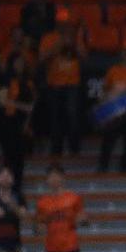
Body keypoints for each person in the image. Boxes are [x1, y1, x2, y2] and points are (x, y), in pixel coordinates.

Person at [43, 16, 86, 156]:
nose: (65, 26)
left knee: (73, 116)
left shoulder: (75, 38)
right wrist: (59, 44)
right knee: (55, 118)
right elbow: (42, 57)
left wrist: (74, 43)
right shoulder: (49, 38)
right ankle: (56, 149)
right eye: (62, 24)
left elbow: (84, 56)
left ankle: (74, 148)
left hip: (72, 85)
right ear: (57, 24)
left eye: (67, 24)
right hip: (54, 84)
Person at [0, 51, 38, 191]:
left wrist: (27, 123)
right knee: (8, 156)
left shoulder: (29, 81)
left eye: (21, 62)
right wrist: (22, 106)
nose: (19, 65)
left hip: (23, 123)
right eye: (17, 62)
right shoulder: (6, 79)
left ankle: (17, 187)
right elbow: (2, 101)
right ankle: (6, 186)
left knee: (20, 157)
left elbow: (33, 104)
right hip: (8, 121)